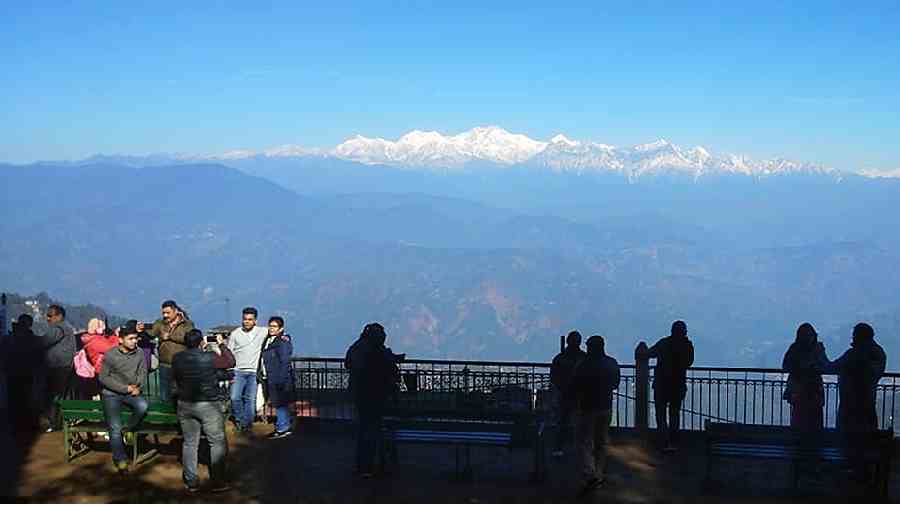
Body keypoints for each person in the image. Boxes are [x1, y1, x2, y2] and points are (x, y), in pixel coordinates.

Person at [172, 329, 235, 493]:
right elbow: (230, 362)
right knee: (216, 441)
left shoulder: (177, 358)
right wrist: (221, 344)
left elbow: (177, 378)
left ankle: (191, 481)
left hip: (185, 403)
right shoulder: (210, 357)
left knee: (190, 443)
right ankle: (218, 481)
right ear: (201, 342)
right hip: (208, 404)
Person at [344, 322, 401, 478]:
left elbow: (348, 363)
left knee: (366, 430)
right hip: (375, 395)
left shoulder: (358, 348)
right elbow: (385, 367)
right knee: (372, 430)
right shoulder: (375, 350)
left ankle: (366, 465)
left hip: (363, 395)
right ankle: (371, 464)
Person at [570, 335, 620, 495]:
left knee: (583, 442)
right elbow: (616, 383)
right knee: (601, 442)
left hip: (587, 407)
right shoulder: (611, 363)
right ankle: (598, 473)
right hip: (605, 407)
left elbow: (574, 385)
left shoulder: (583, 365)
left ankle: (590, 472)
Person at [97, 321, 149, 473]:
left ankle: (129, 429)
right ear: (121, 340)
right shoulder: (110, 354)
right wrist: (124, 388)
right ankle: (120, 459)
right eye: (131, 339)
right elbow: (103, 378)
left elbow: (142, 372)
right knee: (114, 428)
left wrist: (136, 386)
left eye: (135, 338)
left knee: (142, 406)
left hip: (132, 392)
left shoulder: (139, 353)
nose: (134, 341)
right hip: (111, 394)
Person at [637, 320, 695, 452]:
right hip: (678, 385)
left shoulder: (664, 343)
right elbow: (689, 362)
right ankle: (674, 442)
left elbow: (648, 354)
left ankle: (662, 441)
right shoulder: (687, 346)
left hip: (661, 385)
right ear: (684, 332)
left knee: (661, 414)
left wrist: (642, 349)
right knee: (674, 414)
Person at [137, 300, 194, 403]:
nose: (165, 315)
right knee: (165, 395)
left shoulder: (187, 324)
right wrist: (141, 330)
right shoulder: (160, 323)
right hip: (164, 364)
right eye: (163, 313)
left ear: (176, 311)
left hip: (181, 364)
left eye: (168, 313)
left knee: (179, 393)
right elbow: (151, 334)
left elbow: (189, 338)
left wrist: (170, 336)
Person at [227, 307, 268, 433]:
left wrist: (285, 337)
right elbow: (229, 352)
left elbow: (275, 331)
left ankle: (247, 424)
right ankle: (240, 420)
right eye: (245, 319)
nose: (247, 322)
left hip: (254, 372)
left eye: (250, 319)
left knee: (251, 399)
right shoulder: (235, 334)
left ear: (255, 320)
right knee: (235, 397)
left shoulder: (262, 332)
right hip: (238, 371)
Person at [781, 323, 828, 431]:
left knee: (801, 415)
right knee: (808, 415)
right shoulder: (816, 348)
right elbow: (826, 364)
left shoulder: (795, 348)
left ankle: (801, 439)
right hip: (808, 387)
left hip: (803, 387)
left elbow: (785, 366)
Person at [39, 304, 77, 432]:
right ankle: (63, 421)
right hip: (66, 367)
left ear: (59, 316)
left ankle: (52, 423)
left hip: (57, 368)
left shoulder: (58, 328)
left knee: (53, 397)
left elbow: (44, 342)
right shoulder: (68, 329)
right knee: (63, 396)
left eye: (50, 315)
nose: (47, 318)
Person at [549, 330, 586, 457]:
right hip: (579, 395)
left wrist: (562, 387)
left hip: (565, 394)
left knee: (563, 423)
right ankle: (580, 448)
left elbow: (553, 377)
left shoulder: (560, 358)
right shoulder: (584, 357)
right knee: (580, 423)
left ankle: (559, 447)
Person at [260, 316, 295, 439]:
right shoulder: (270, 340)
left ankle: (282, 428)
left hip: (278, 378)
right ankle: (284, 426)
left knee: (280, 404)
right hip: (271, 377)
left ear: (281, 328)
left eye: (274, 326)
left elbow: (285, 361)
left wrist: (280, 379)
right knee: (281, 404)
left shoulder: (282, 342)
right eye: (270, 325)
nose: (271, 328)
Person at [7, 315, 44, 431]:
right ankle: (27, 425)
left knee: (14, 400)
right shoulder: (30, 338)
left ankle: (15, 424)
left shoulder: (10, 337)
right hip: (27, 372)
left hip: (12, 372)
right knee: (27, 399)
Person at [80, 318, 120, 397]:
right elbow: (110, 348)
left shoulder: (94, 338)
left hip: (102, 369)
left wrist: (114, 336)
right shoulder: (94, 341)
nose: (104, 329)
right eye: (102, 327)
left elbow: (107, 342)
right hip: (101, 370)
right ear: (96, 328)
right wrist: (118, 337)